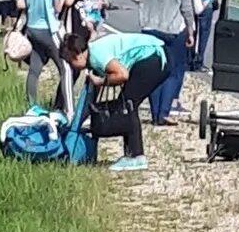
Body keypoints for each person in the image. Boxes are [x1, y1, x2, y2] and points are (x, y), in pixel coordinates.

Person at [60, 32, 168, 173]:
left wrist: (102, 81)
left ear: (78, 54)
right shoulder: (92, 57)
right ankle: (131, 154)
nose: (71, 66)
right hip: (155, 52)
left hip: (153, 55)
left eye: (70, 62)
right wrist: (75, 126)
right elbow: (90, 99)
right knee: (126, 103)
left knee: (128, 104)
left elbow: (122, 75)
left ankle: (136, 156)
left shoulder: (97, 56)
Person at [122, 0, 195, 127]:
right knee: (172, 72)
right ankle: (163, 112)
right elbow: (187, 11)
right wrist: (191, 32)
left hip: (149, 29)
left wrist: (139, 1)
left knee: (153, 72)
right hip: (171, 31)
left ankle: (154, 113)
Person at [18, 0, 73, 118]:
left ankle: (31, 106)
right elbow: (57, 8)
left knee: (35, 69)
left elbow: (22, 3)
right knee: (66, 68)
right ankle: (69, 110)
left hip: (32, 29)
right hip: (49, 29)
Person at [55, 0, 91, 111]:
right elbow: (67, 3)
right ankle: (60, 105)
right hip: (69, 35)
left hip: (81, 33)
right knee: (69, 71)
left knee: (76, 71)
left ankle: (63, 103)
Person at [174, 0, 206, 115]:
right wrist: (208, 3)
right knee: (180, 66)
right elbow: (198, 9)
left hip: (166, 24)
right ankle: (174, 100)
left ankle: (164, 100)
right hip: (184, 26)